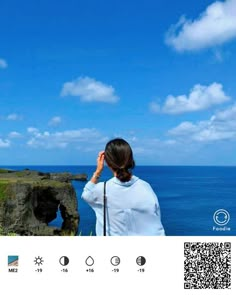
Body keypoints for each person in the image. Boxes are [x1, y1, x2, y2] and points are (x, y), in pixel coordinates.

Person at [81, 138, 165, 236]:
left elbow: (86, 193)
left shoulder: (102, 190)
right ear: (131, 160)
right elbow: (156, 217)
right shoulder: (146, 187)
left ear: (107, 162)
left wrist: (98, 171)